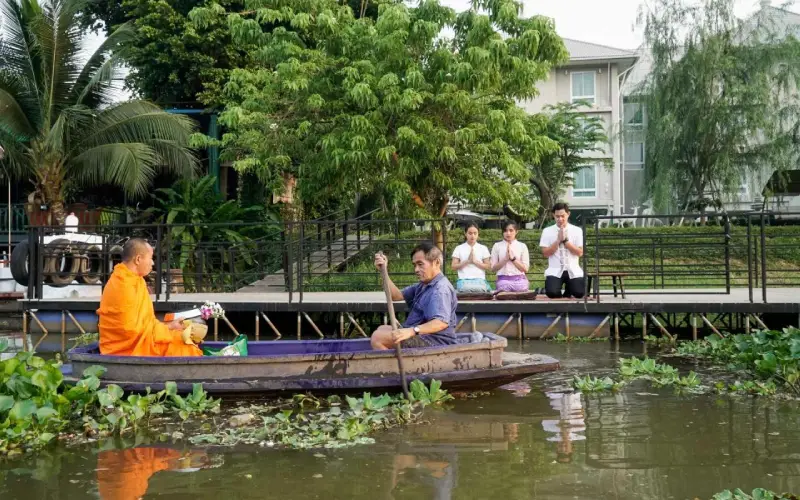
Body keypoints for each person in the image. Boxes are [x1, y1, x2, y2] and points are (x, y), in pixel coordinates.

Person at [97, 238, 203, 356]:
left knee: (183, 338)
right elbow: (131, 331)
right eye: (151, 258)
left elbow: (146, 323)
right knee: (186, 348)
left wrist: (170, 326)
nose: (153, 263)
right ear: (138, 259)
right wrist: (167, 328)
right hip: (126, 348)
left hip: (142, 340)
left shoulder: (137, 280)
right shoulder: (123, 285)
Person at [370, 242, 458, 350]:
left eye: (420, 264)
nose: (416, 269)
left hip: (437, 342)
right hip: (423, 336)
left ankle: (397, 367)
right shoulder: (424, 285)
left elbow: (441, 323)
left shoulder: (440, 289)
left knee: (378, 338)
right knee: (382, 329)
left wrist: (411, 331)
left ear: (437, 262)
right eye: (415, 265)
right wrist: (383, 271)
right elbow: (395, 296)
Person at [539, 203, 585, 298]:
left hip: (573, 269)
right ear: (553, 215)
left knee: (579, 293)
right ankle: (557, 291)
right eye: (557, 216)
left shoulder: (577, 230)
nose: (560, 219)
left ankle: (569, 289)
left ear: (568, 214)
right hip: (555, 270)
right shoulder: (547, 231)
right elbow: (545, 253)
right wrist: (558, 241)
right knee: (552, 293)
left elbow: (580, 252)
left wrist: (565, 241)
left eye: (562, 216)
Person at [450, 223, 491, 293]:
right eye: (470, 233)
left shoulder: (483, 248)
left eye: (475, 233)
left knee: (481, 289)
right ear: (465, 234)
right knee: (466, 288)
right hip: (464, 280)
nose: (473, 236)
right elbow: (453, 266)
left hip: (479, 280)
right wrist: (468, 261)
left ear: (478, 234)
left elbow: (488, 266)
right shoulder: (459, 248)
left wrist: (475, 261)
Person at [490, 222, 530, 292]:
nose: (508, 233)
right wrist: (505, 259)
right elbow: (493, 268)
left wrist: (513, 259)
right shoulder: (497, 246)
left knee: (521, 287)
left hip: (519, 281)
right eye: (505, 231)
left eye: (511, 230)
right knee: (503, 287)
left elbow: (525, 269)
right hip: (503, 281)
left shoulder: (522, 246)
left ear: (516, 231)